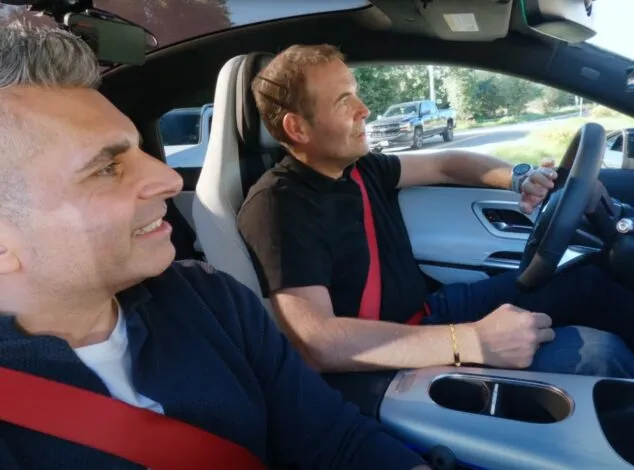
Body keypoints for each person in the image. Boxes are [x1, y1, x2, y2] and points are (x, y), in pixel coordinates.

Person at [0, 23, 430, 470]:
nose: (169, 179)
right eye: (106, 168)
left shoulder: (209, 299)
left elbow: (339, 443)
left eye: (139, 150)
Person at [237, 44, 634, 382]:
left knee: (591, 277)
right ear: (297, 127)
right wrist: (471, 341)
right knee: (597, 355)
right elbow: (319, 342)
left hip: (428, 311)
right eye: (344, 101)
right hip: (388, 355)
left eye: (355, 93)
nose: (365, 108)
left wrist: (519, 177)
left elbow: (447, 163)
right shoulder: (279, 204)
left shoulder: (360, 168)